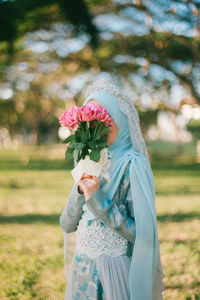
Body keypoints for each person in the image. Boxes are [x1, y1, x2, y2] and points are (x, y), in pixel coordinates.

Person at [59, 80, 165, 300]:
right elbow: (66, 224)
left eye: (103, 119)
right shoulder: (88, 160)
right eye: (90, 120)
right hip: (82, 270)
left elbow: (144, 236)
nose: (96, 127)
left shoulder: (132, 164)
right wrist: (80, 191)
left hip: (116, 273)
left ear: (120, 120)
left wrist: (98, 201)